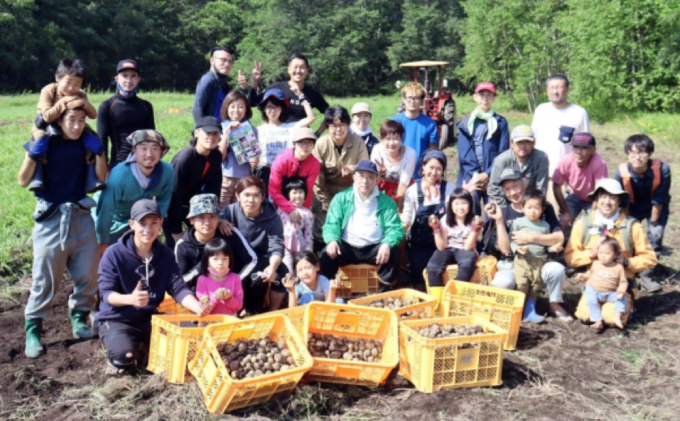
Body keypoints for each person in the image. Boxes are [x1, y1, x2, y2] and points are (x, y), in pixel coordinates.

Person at [18, 106, 108, 359]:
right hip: (50, 217)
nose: (77, 126)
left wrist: (100, 150)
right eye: (72, 120)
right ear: (59, 119)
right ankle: (33, 328)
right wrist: (34, 154)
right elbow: (22, 180)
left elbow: (101, 176)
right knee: (46, 278)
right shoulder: (44, 141)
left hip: (80, 214)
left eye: (81, 120)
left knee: (89, 272)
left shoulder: (87, 145)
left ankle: (79, 317)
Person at [96, 199, 207, 374]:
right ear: (131, 224)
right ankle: (124, 346)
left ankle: (145, 345)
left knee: (192, 339)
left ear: (161, 224)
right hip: (117, 318)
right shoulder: (114, 254)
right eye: (142, 223)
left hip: (150, 317)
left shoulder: (165, 254)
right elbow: (106, 294)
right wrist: (130, 299)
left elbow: (177, 287)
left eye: (153, 223)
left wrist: (197, 306)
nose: (148, 230)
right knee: (124, 357)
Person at [483, 168, 573, 322]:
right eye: (507, 189)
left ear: (523, 183)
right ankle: (510, 308)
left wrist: (532, 238)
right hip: (514, 263)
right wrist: (498, 221)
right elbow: (505, 250)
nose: (513, 192)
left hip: (538, 261)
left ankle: (553, 303)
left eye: (515, 186)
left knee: (556, 270)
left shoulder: (543, 208)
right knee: (502, 282)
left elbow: (558, 237)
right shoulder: (504, 212)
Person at [319, 160, 404, 290]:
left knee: (394, 252)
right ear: (354, 177)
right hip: (347, 246)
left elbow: (395, 228)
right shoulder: (341, 198)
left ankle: (383, 293)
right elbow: (332, 223)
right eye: (361, 176)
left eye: (370, 177)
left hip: (374, 248)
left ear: (377, 180)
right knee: (326, 255)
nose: (365, 181)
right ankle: (331, 291)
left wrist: (387, 243)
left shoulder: (387, 202)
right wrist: (332, 240)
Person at [565, 179, 659, 292]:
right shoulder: (583, 224)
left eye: (613, 197)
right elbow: (570, 257)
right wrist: (590, 255)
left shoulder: (632, 227)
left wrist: (626, 262)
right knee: (586, 310)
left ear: (620, 201)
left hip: (621, 286)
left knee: (611, 310)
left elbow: (650, 258)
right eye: (603, 196)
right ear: (596, 199)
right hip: (593, 285)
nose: (607, 202)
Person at [25, 58, 103, 192]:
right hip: (46, 124)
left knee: (92, 138)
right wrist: (64, 102)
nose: (72, 88)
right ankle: (38, 177)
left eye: (77, 84)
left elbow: (93, 115)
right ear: (57, 78)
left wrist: (84, 103)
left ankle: (91, 178)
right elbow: (46, 116)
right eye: (68, 82)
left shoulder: (80, 94)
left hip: (71, 123)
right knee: (39, 139)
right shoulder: (49, 90)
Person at [94, 130, 172, 252]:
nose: (149, 154)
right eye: (143, 148)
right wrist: (103, 241)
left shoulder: (167, 172)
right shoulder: (120, 174)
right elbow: (106, 211)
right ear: (134, 151)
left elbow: (163, 203)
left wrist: (154, 228)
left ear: (162, 151)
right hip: (113, 219)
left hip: (142, 219)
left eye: (155, 148)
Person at [220, 176, 289, 313]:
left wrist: (272, 266)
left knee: (282, 272)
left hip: (261, 257)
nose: (251, 200)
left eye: (256, 195)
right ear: (238, 196)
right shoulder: (229, 212)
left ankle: (272, 311)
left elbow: (277, 246)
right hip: (235, 258)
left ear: (263, 197)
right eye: (246, 195)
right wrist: (220, 221)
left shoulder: (273, 218)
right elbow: (212, 219)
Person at [312, 105, 369, 250]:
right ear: (327, 126)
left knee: (350, 231)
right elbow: (316, 178)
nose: (338, 129)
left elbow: (365, 172)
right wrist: (326, 201)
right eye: (334, 125)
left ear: (348, 125)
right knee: (324, 231)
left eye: (342, 125)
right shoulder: (321, 144)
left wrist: (353, 170)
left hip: (351, 195)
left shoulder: (358, 142)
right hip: (325, 194)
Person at [175, 193, 257, 290]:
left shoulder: (228, 232)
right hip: (202, 293)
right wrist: (202, 266)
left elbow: (252, 260)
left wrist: (234, 283)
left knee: (258, 279)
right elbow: (181, 280)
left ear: (219, 218)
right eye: (201, 217)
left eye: (212, 216)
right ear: (192, 220)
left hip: (234, 288)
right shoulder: (183, 246)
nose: (207, 222)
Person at [531, 75, 590, 209]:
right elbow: (533, 139)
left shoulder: (579, 112)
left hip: (564, 175)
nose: (555, 91)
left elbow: (586, 145)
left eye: (559, 87)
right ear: (547, 90)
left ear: (567, 89)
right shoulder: (541, 110)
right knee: (535, 211)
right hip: (539, 171)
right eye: (552, 88)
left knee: (558, 214)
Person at [164, 117, 223, 248]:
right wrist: (176, 231)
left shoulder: (216, 155)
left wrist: (214, 215)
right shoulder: (184, 159)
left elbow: (214, 187)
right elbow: (174, 195)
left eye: (215, 134)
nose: (211, 137)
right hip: (172, 207)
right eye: (208, 133)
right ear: (197, 133)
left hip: (194, 203)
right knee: (174, 247)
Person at [401, 150, 454, 289]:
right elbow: (406, 220)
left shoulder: (448, 188)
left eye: (438, 169)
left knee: (437, 272)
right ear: (423, 167)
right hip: (418, 244)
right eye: (431, 167)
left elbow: (454, 215)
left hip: (442, 243)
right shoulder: (412, 191)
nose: (434, 172)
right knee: (419, 279)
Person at [510, 189, 564, 323]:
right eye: (529, 207)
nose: (533, 211)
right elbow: (512, 240)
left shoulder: (545, 226)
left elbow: (545, 246)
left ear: (543, 209)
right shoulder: (518, 222)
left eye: (536, 208)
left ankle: (530, 309)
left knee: (535, 286)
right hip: (522, 260)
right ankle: (518, 309)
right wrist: (518, 248)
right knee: (521, 284)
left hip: (539, 261)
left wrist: (553, 248)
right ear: (522, 208)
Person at [456, 82, 510, 216]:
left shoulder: (500, 122)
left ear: (494, 98)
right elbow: (465, 152)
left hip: (494, 175)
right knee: (468, 205)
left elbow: (503, 152)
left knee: (493, 209)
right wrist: (476, 176)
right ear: (475, 97)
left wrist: (487, 174)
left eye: (489, 95)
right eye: (481, 95)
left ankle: (490, 237)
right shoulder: (465, 123)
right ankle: (471, 235)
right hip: (470, 175)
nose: (485, 98)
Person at [614, 134, 671, 260]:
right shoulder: (621, 173)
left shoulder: (662, 169)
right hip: (633, 206)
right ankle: (631, 263)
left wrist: (654, 223)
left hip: (656, 206)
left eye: (642, 152)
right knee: (628, 235)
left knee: (655, 235)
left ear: (649, 153)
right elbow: (622, 201)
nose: (637, 157)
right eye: (632, 153)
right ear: (627, 154)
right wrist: (627, 223)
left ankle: (651, 266)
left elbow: (660, 198)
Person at [426, 188, 483, 305]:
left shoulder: (474, 221)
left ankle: (453, 296)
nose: (460, 207)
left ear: (470, 205)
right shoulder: (445, 220)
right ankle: (438, 301)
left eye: (464, 203)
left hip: (464, 249)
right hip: (448, 248)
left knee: (467, 262)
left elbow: (468, 247)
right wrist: (436, 229)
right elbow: (441, 247)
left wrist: (474, 230)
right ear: (450, 205)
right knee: (432, 266)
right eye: (456, 203)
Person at [97, 59, 156, 168]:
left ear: (138, 79)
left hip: (143, 164)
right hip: (118, 164)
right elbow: (102, 140)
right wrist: (103, 168)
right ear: (117, 79)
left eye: (133, 76)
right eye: (124, 75)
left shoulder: (146, 107)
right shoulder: (107, 106)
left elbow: (152, 139)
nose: (129, 80)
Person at [253, 53, 329, 133]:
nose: (298, 71)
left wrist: (317, 133)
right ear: (289, 69)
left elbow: (330, 114)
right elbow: (253, 102)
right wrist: (255, 82)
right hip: (277, 136)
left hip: (301, 139)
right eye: (295, 67)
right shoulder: (276, 88)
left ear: (307, 71)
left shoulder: (312, 93)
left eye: (302, 67)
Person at [552, 132, 608, 231]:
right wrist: (564, 211)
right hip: (574, 196)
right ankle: (564, 243)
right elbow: (556, 185)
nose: (578, 151)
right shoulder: (565, 161)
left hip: (593, 200)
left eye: (584, 148)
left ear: (593, 150)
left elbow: (600, 192)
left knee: (597, 225)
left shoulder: (599, 164)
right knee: (563, 223)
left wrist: (593, 213)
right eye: (576, 147)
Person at [488, 125, 549, 207]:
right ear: (512, 144)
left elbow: (541, 189)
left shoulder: (541, 158)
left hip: (530, 203)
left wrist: (529, 208)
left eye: (527, 142)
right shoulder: (501, 160)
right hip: (506, 202)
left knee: (548, 209)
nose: (523, 146)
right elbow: (493, 188)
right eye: (519, 142)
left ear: (534, 142)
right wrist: (507, 210)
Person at [192, 46, 257, 122]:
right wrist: (202, 130)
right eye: (223, 60)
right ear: (212, 60)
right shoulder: (208, 80)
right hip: (212, 130)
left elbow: (233, 101)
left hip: (224, 129)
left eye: (230, 61)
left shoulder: (222, 82)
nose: (227, 64)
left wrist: (243, 88)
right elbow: (197, 108)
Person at [575, 237, 628, 331]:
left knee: (622, 298)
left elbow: (623, 282)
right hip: (594, 290)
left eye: (607, 253)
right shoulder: (596, 264)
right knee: (591, 300)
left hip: (610, 292)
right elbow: (590, 274)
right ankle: (597, 320)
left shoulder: (618, 267)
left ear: (616, 254)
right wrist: (583, 277)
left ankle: (617, 316)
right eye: (600, 253)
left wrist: (620, 292)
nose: (603, 256)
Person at [256, 88, 315, 168]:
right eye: (269, 107)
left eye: (276, 107)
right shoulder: (258, 130)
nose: (272, 111)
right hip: (264, 171)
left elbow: (311, 118)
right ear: (264, 109)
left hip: (285, 171)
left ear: (282, 109)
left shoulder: (291, 127)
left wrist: (301, 96)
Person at [390, 82, 438, 179]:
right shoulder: (394, 122)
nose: (413, 101)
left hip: (420, 175)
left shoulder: (430, 124)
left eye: (416, 98)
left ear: (421, 100)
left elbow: (433, 152)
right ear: (403, 99)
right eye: (410, 97)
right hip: (397, 174)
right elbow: (387, 148)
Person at [218, 90, 258, 207]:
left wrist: (254, 160)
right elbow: (220, 157)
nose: (236, 111)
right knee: (221, 210)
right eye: (232, 106)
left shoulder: (251, 129)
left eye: (240, 107)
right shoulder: (220, 128)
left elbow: (254, 160)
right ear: (226, 108)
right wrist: (226, 134)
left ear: (246, 109)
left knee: (240, 211)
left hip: (244, 178)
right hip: (225, 177)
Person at [268, 127, 320, 216]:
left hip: (299, 200)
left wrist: (303, 212)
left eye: (309, 142)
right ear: (294, 144)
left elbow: (308, 190)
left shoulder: (315, 164)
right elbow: (274, 190)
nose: (305, 146)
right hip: (278, 201)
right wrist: (290, 209)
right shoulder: (281, 161)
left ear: (314, 145)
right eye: (301, 142)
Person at [370, 120, 416, 208]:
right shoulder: (377, 150)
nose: (391, 143)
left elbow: (404, 183)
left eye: (396, 138)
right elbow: (373, 181)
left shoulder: (410, 153)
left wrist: (399, 209)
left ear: (401, 138)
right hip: (382, 183)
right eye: (388, 139)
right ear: (382, 139)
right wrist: (381, 174)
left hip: (403, 186)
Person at [196, 238, 244, 316]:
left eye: (224, 259)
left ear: (230, 260)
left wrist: (229, 298)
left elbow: (238, 306)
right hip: (209, 322)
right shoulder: (202, 280)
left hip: (230, 321)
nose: (220, 263)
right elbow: (204, 309)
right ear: (207, 260)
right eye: (215, 259)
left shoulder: (235, 278)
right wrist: (216, 298)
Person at [277, 178, 314, 274]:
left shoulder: (307, 213)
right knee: (287, 269)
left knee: (300, 269)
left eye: (301, 192)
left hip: (300, 246)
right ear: (288, 194)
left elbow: (308, 233)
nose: (298, 195)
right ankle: (288, 287)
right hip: (285, 245)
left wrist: (308, 248)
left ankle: (299, 287)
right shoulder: (281, 209)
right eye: (294, 192)